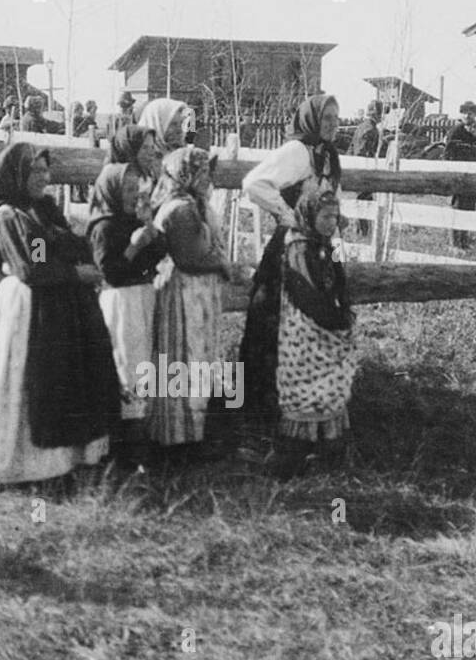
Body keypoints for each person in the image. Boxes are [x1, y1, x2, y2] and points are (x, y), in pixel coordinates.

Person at [0, 143, 118, 487]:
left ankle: (57, 458)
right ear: (16, 175)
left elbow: (60, 248)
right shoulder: (10, 216)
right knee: (23, 381)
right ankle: (18, 461)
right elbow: (33, 266)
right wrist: (75, 272)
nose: (44, 178)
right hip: (27, 305)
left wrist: (70, 252)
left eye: (45, 171)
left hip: (53, 303)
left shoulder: (40, 212)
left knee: (52, 381)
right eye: (35, 171)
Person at [237, 93, 342, 429]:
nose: (332, 125)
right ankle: (261, 415)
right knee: (276, 325)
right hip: (291, 251)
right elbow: (253, 183)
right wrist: (287, 215)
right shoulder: (298, 151)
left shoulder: (327, 155)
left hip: (315, 251)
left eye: (336, 119)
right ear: (311, 120)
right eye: (326, 118)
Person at [148, 146, 232, 453]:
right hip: (185, 292)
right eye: (201, 171)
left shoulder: (194, 204)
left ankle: (195, 435)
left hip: (197, 293)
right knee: (185, 360)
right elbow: (190, 257)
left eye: (208, 171)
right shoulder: (181, 209)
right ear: (184, 174)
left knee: (197, 361)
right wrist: (223, 265)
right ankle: (179, 439)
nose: (207, 177)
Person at [88, 162, 166, 459]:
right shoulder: (104, 227)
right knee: (127, 365)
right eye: (128, 189)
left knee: (142, 364)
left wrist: (148, 227)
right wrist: (133, 248)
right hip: (121, 302)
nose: (135, 195)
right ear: (112, 192)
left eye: (137, 188)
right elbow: (110, 272)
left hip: (142, 298)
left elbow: (160, 253)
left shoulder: (132, 221)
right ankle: (124, 446)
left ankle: (140, 439)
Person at [275, 186, 355, 472]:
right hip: (306, 327)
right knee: (307, 386)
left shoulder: (326, 244)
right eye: (325, 216)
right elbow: (306, 292)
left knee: (330, 384)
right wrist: (332, 319)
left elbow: (340, 278)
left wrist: (344, 309)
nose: (331, 222)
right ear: (310, 214)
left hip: (328, 322)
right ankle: (296, 454)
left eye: (335, 216)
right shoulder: (299, 245)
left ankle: (328, 449)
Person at [445, 101, 476, 247]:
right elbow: (447, 154)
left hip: (473, 174)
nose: (467, 115)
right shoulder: (456, 131)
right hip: (459, 175)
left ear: (475, 115)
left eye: (470, 113)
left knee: (470, 206)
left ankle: (465, 240)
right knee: (458, 206)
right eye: (464, 112)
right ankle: (455, 243)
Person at [137, 97, 190, 170]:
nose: (180, 130)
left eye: (182, 123)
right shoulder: (142, 160)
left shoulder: (184, 156)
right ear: (156, 123)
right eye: (173, 124)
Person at [350, 101, 383, 209]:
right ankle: (363, 226)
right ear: (376, 114)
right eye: (381, 113)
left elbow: (351, 148)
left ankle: (362, 225)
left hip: (358, 168)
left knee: (364, 201)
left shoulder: (362, 126)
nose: (382, 116)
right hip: (364, 170)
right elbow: (362, 152)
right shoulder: (371, 130)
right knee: (365, 201)